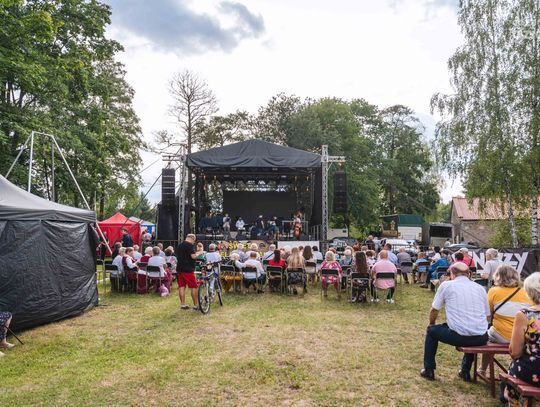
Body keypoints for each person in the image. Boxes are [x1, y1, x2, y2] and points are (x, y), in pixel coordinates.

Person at [420, 262, 490, 382]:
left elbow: (434, 310)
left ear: (452, 273)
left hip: (458, 335)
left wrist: (431, 323)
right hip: (480, 337)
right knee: (471, 329)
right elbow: (487, 315)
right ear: (469, 274)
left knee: (431, 331)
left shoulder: (447, 285)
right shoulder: (480, 288)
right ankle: (465, 370)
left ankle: (428, 369)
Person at [477, 265, 533, 376]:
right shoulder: (527, 292)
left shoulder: (494, 291)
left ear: (498, 277)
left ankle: (482, 369)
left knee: (489, 334)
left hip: (501, 336)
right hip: (522, 337)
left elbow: (488, 315)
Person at [504, 272, 540, 404]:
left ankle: (513, 399)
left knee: (517, 367)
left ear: (529, 292)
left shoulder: (525, 315)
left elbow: (515, 352)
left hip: (533, 371)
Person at [176, 234, 199, 311]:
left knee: (181, 286)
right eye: (194, 241)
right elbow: (193, 256)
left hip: (180, 268)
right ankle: (196, 305)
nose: (194, 242)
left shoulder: (180, 245)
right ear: (192, 239)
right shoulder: (190, 246)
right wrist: (199, 253)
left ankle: (183, 305)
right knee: (194, 287)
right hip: (188, 269)